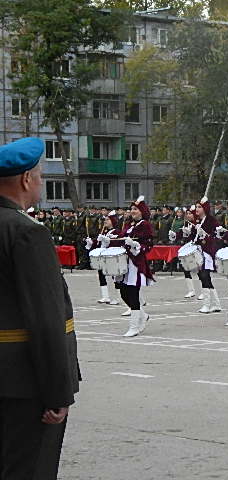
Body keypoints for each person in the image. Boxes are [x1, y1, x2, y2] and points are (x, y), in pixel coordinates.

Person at [0, 137, 80, 478]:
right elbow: (46, 320)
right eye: (40, 176)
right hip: (23, 385)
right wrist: (56, 393)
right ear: (25, 180)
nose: (41, 183)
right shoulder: (26, 232)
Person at [104, 196, 155, 337]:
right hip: (124, 262)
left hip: (135, 263)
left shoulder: (145, 225)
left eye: (135, 209)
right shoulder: (129, 224)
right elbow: (121, 239)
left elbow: (149, 244)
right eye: (131, 209)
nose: (132, 211)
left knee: (133, 293)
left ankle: (135, 326)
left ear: (142, 211)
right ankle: (142, 315)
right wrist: (108, 241)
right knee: (123, 292)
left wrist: (136, 245)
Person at [187, 197, 222, 313]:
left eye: (199, 207)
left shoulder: (211, 220)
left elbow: (217, 237)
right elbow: (194, 237)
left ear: (205, 208)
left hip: (207, 252)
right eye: (196, 207)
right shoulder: (197, 221)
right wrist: (188, 232)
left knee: (205, 276)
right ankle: (216, 304)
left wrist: (205, 235)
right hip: (199, 252)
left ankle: (206, 305)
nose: (196, 209)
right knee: (203, 277)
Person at [85, 210, 121, 305]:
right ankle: (105, 296)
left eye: (108, 219)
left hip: (111, 256)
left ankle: (119, 297)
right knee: (101, 275)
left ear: (113, 221)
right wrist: (91, 243)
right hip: (103, 256)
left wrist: (106, 240)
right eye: (105, 219)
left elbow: (116, 243)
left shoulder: (116, 231)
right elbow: (99, 245)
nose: (105, 221)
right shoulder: (104, 231)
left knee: (115, 277)